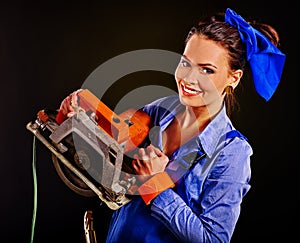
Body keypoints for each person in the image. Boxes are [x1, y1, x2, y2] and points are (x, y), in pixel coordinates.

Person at [57, 8, 286, 243]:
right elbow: (112, 150)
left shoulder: (232, 152)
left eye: (207, 70)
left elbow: (213, 240)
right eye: (186, 63)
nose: (189, 79)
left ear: (233, 78)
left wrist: (155, 186)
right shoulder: (160, 109)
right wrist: (81, 119)